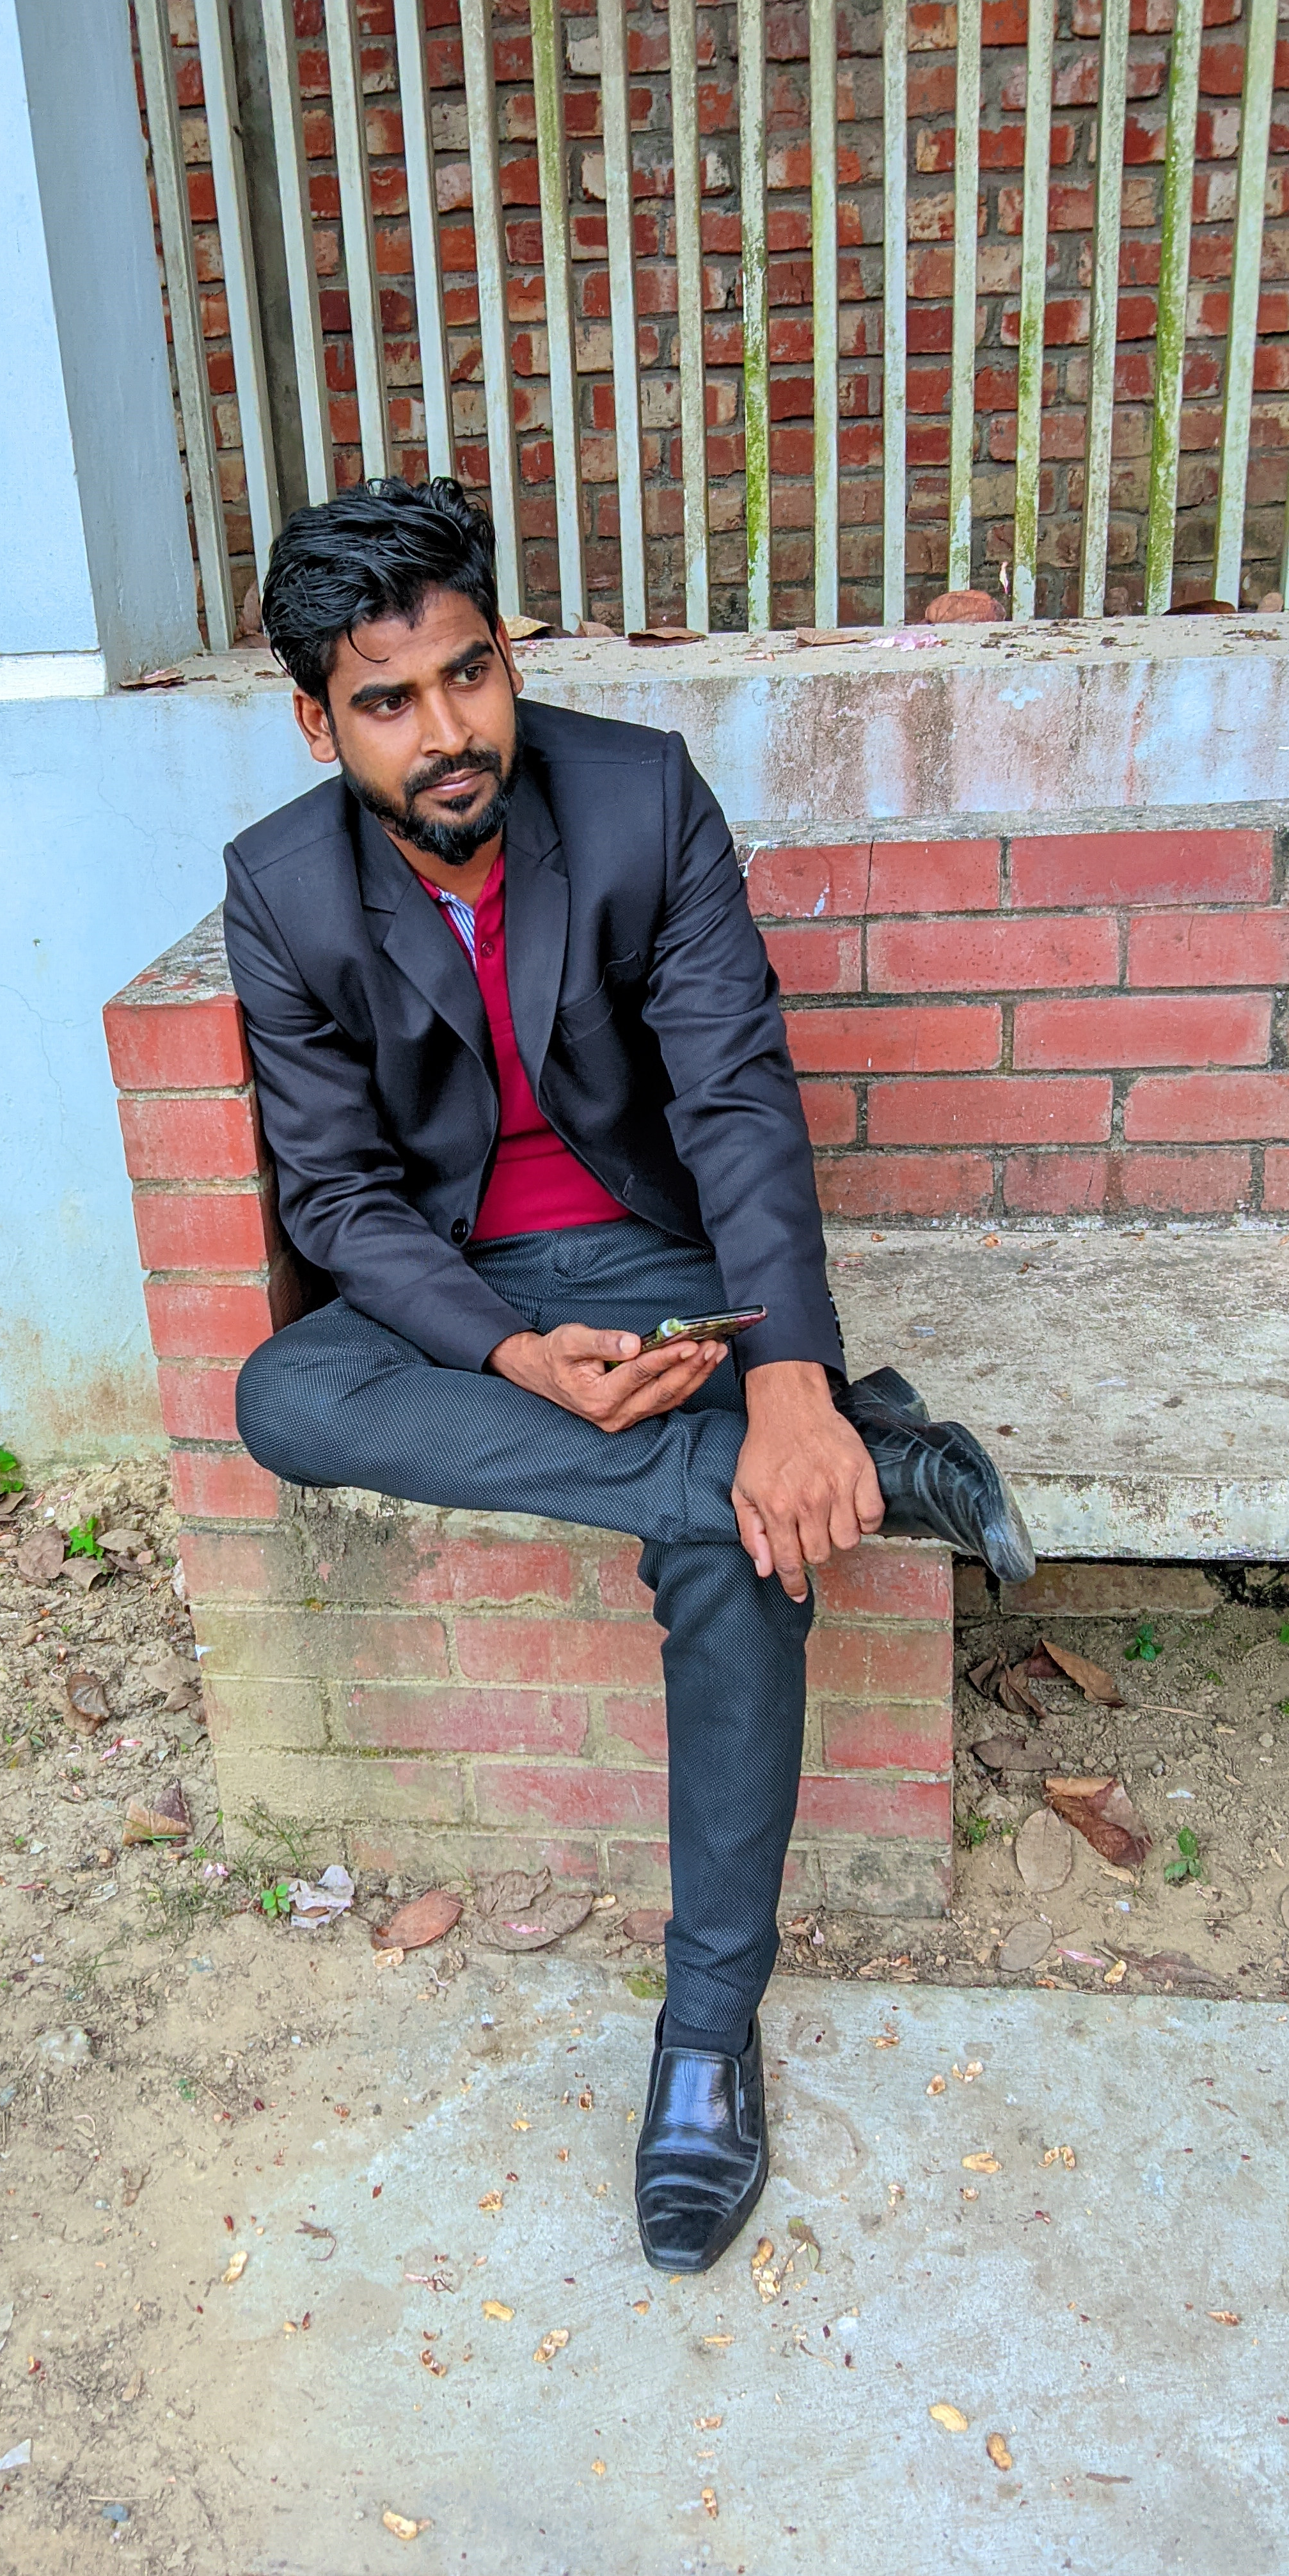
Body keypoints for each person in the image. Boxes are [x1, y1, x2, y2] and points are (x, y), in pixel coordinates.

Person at [225, 477, 1031, 2274]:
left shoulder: (639, 798)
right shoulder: (281, 889)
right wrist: (516, 1352)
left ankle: (705, 2037)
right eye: (387, 700)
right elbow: (338, 1199)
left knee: (736, 1554)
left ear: (508, 660)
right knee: (286, 1400)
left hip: (666, 1264)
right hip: (467, 1297)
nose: (446, 731)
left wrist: (792, 1376)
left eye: (469, 673)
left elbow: (735, 1097)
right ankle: (858, 1467)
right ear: (318, 723)